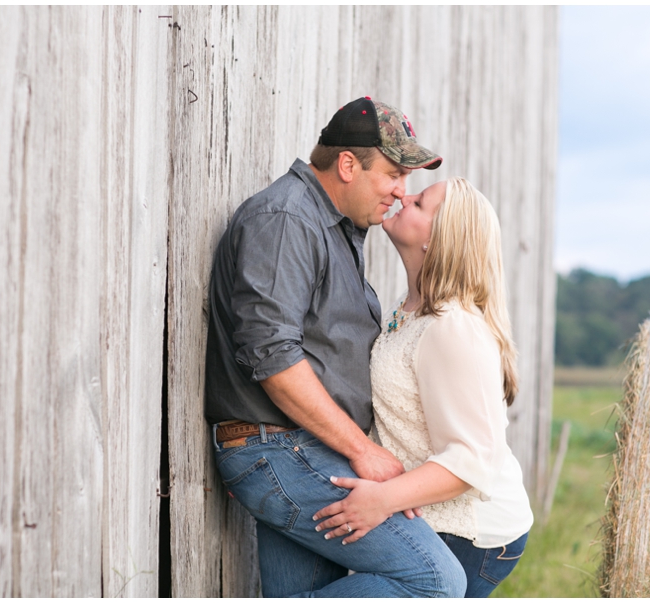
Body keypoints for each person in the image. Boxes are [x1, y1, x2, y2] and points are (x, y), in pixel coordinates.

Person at [204, 98, 467, 597]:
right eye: (393, 173)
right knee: (434, 581)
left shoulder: (335, 229)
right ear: (348, 164)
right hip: (278, 448)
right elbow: (272, 357)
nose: (399, 192)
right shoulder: (286, 220)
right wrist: (362, 450)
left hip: (300, 447)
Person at [312, 177, 534, 597]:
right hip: (425, 512)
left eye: (419, 202)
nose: (402, 195)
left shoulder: (452, 329)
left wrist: (382, 499)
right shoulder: (408, 309)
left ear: (437, 239)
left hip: (473, 533)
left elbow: (471, 461)